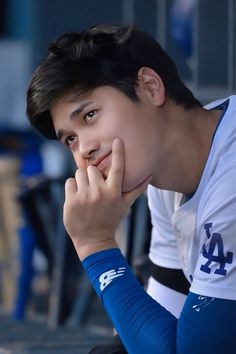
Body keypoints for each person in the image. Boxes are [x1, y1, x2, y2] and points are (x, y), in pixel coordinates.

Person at [26, 24, 236, 354]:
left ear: (151, 87)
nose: (83, 151)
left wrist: (95, 245)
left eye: (90, 115)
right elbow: (151, 335)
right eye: (70, 139)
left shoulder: (231, 172)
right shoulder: (164, 181)